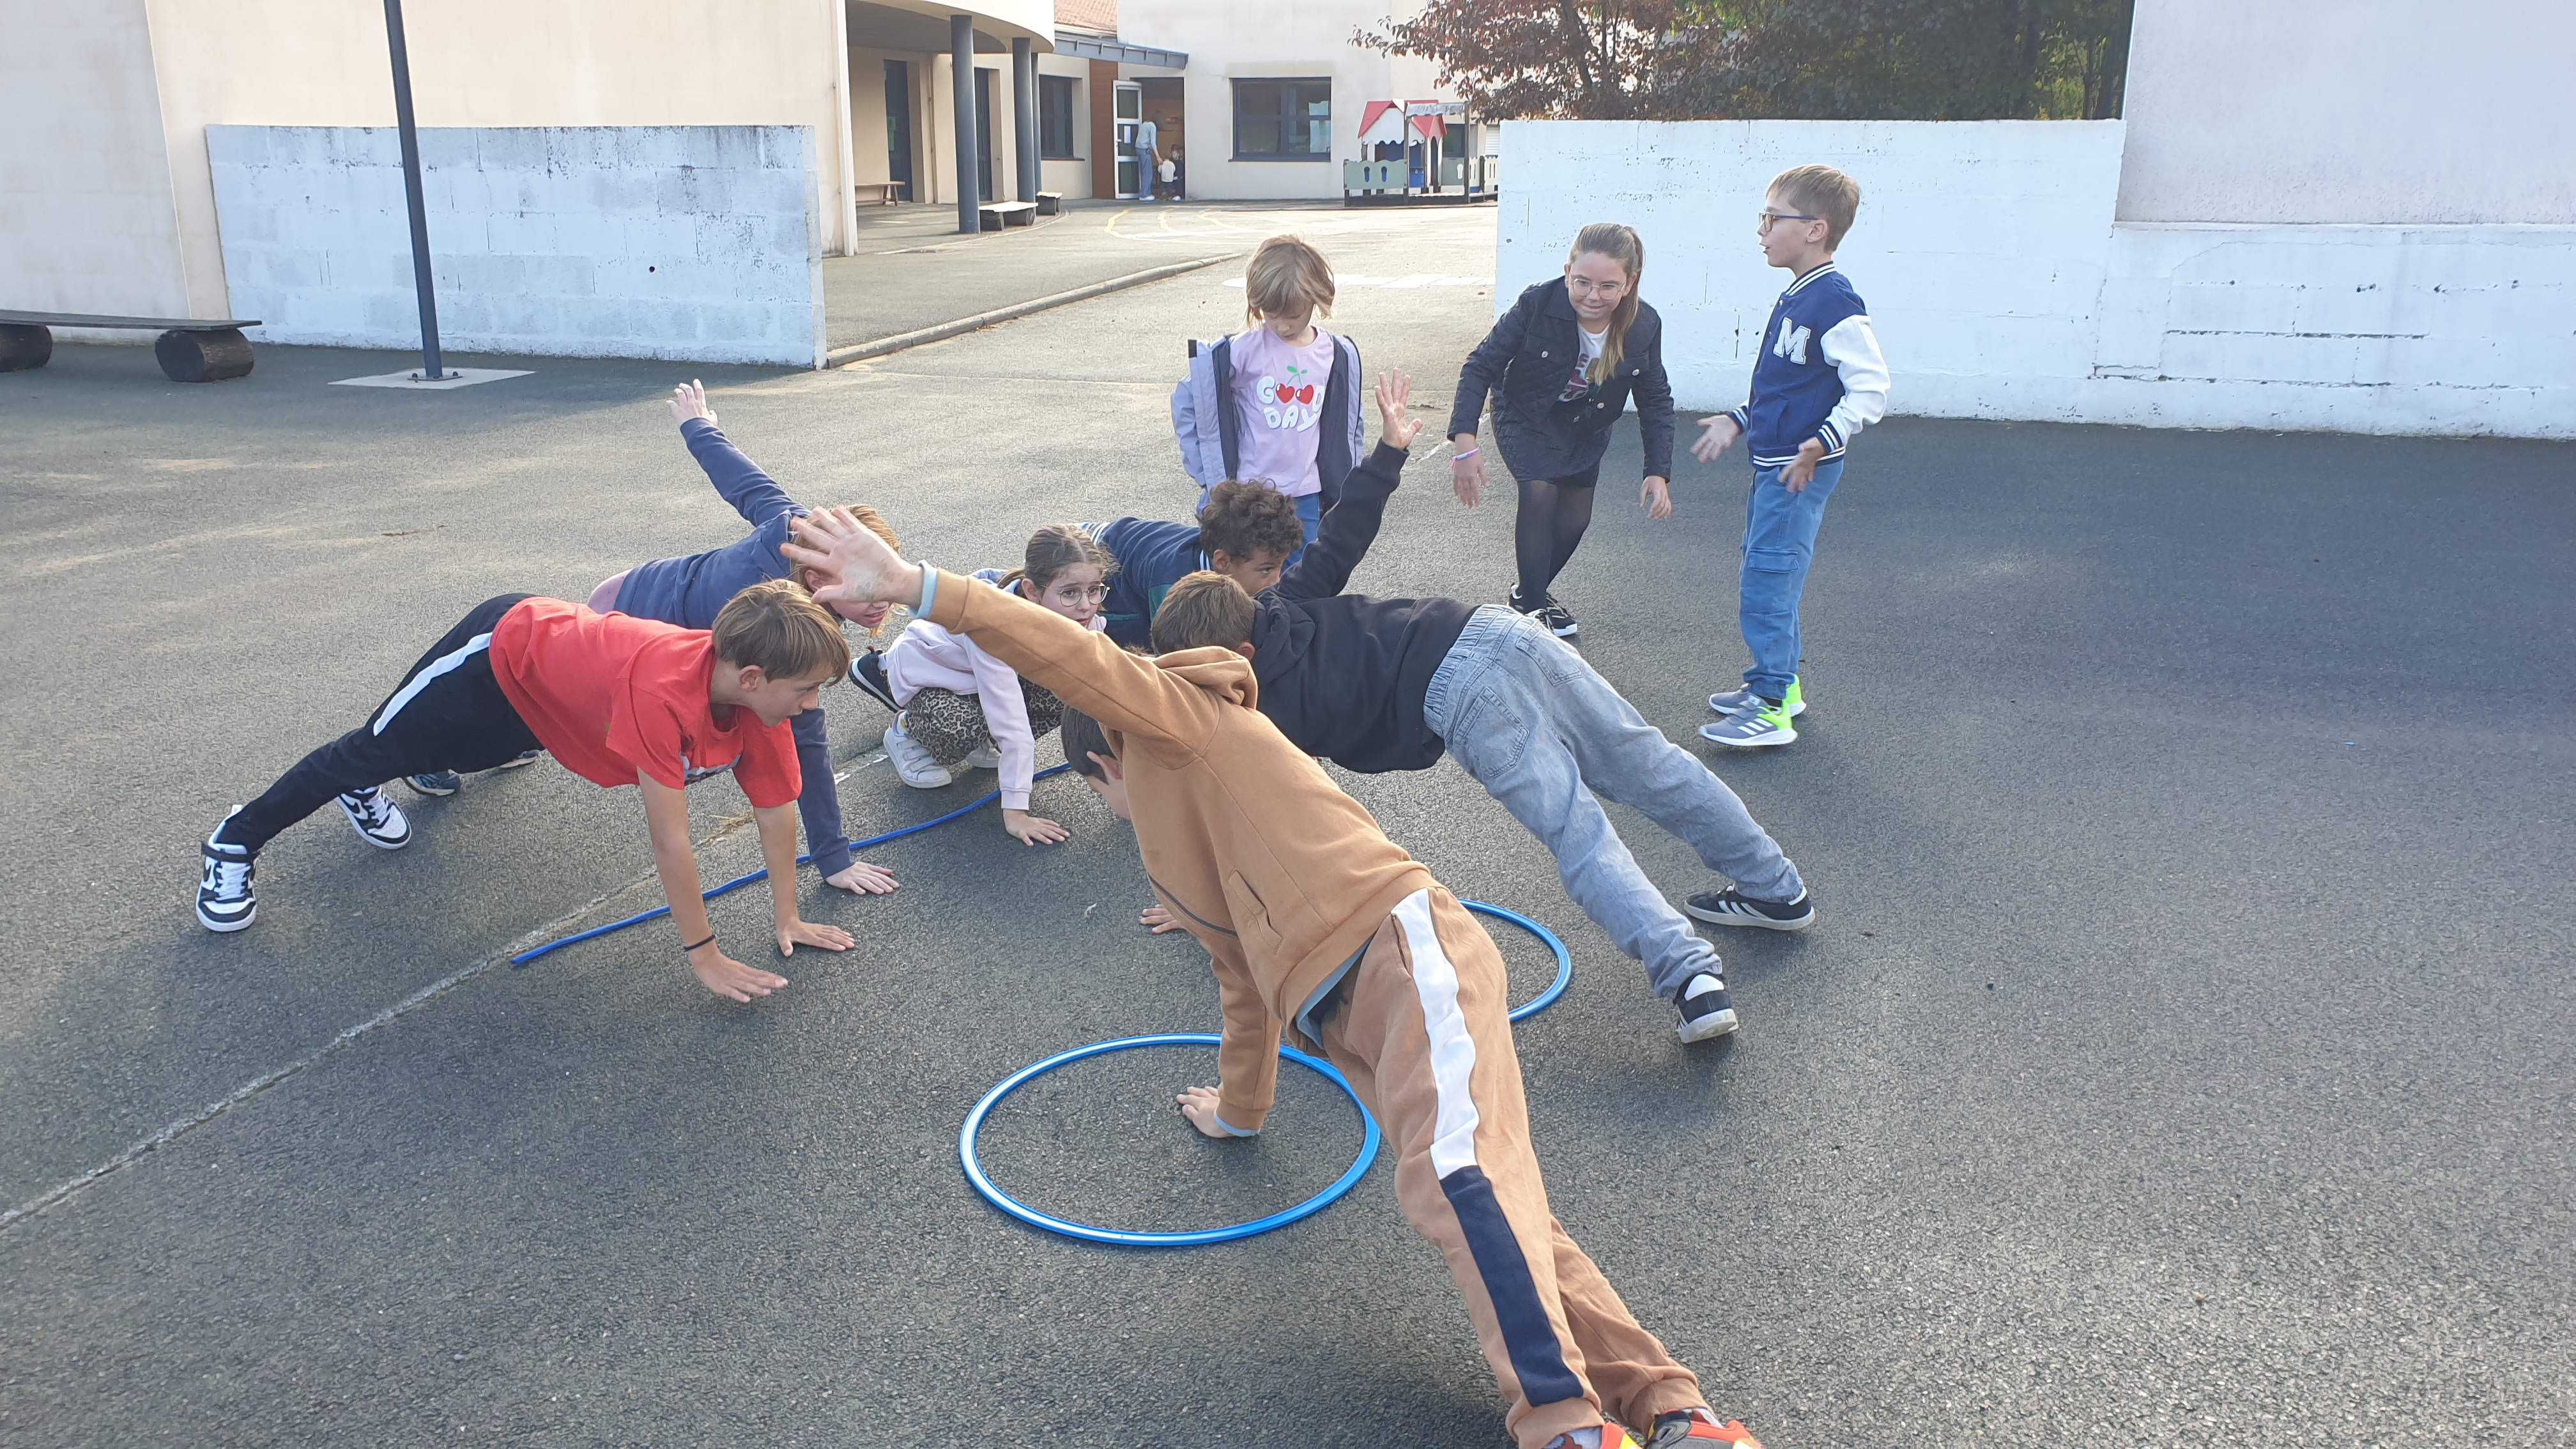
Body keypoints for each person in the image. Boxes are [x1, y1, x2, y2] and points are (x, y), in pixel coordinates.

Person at [779, 510, 1766, 1449]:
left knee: (1458, 1181)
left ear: (1104, 764)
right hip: (1350, 1015)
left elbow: (1073, 658)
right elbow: (1243, 986)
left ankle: (1561, 1422)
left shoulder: (1185, 725)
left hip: (1406, 956)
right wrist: (1238, 1111)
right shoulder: (1183, 857)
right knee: (1499, 1204)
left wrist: (912, 584)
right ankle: (1674, 1411)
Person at [1146, 369, 1812, 1045]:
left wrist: (1210, 901)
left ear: (1236, 659)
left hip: (1464, 693)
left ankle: (1691, 977)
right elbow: (1344, 533)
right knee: (1651, 765)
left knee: (1577, 832)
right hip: (1497, 629)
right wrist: (1391, 450)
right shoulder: (1278, 603)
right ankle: (1776, 887)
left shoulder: (1263, 717)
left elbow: (1269, 820)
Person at [194, 581, 855, 1002]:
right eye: (805, 690)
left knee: (468, 752)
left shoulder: (762, 707)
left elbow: (776, 810)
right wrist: (704, 956)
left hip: (545, 702)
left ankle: (393, 768)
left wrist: (788, 917)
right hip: (501, 647)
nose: (812, 704)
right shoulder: (661, 692)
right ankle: (234, 842)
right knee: (371, 748)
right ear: (752, 676)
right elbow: (669, 840)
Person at [574, 381, 902, 894]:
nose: (886, 599)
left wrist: (699, 426)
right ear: (817, 579)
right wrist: (834, 858)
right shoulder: (776, 621)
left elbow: (747, 484)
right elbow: (806, 739)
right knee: (563, 714)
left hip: (638, 587)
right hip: (626, 613)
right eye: (872, 587)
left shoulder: (801, 537)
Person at [1691, 165, 1888, 749]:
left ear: (1815, 229)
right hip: (1775, 465)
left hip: (1798, 472)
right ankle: (1779, 685)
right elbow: (1790, 388)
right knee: (1767, 572)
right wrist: (1738, 420)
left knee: (1768, 583)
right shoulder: (1799, 295)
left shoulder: (1834, 300)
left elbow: (1871, 390)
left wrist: (1820, 442)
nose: (1762, 230)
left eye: (1772, 218)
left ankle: (1771, 706)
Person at [1448, 222, 1674, 639]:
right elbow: (1480, 365)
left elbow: (1655, 398)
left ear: (1629, 283)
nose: (1593, 295)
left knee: (1575, 520)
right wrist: (1465, 443)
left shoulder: (1643, 325)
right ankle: (1531, 616)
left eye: (1608, 286)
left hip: (1586, 425)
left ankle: (1526, 594)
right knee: (1540, 491)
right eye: (1582, 282)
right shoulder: (1537, 303)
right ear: (1568, 272)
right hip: (1526, 413)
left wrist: (1657, 472)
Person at [871, 525, 1113, 846]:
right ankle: (906, 730)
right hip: (934, 676)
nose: (1086, 605)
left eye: (1094, 590)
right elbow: (1012, 723)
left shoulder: (1081, 619)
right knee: (961, 728)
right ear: (1032, 590)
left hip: (978, 678)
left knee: (1064, 693)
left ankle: (983, 740)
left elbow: (1101, 688)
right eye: (1070, 593)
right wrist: (1016, 813)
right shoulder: (993, 626)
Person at [1172, 234, 1365, 554]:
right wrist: (1207, 475)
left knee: (1304, 577)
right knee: (1248, 574)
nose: (1282, 326)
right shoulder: (1243, 351)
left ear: (1317, 299)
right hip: (1249, 496)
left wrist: (1345, 480)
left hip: (1306, 495)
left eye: (1293, 315)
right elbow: (1190, 401)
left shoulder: (1332, 353)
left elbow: (1349, 423)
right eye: (1271, 314)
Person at [1085, 479, 1307, 648]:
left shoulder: (1229, 547)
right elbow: (1173, 660)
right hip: (1096, 563)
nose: (1277, 581)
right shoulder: (1172, 583)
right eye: (1266, 570)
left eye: (1281, 567)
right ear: (1223, 562)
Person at [1132, 115, 1159, 201]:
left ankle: (1145, 192)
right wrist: (1158, 157)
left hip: (1138, 149)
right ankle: (1145, 194)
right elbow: (1153, 143)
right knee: (1148, 173)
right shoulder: (1153, 127)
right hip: (1144, 150)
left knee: (1144, 172)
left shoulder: (1144, 124)